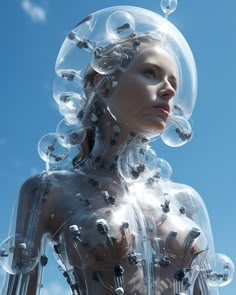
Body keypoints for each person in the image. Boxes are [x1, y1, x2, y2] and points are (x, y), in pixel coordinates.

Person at [0, 5, 234, 295]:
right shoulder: (49, 190)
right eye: (151, 73)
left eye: (174, 82)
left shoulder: (187, 201)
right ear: (103, 82)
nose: (169, 90)